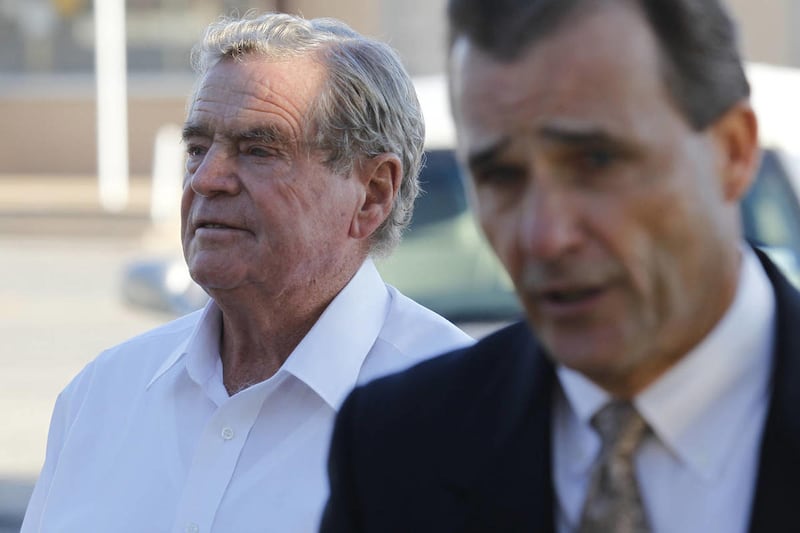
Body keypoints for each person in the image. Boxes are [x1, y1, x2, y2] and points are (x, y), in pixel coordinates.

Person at [321, 0, 800, 531]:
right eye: (502, 176)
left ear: (733, 151)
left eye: (596, 162)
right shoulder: (396, 450)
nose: (545, 236)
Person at [21, 12, 472, 533]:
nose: (207, 178)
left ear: (372, 193)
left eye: (259, 150)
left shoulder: (468, 417)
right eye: (197, 149)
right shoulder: (103, 395)